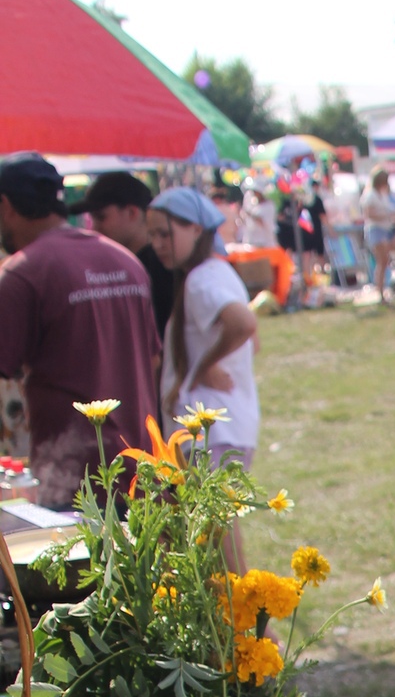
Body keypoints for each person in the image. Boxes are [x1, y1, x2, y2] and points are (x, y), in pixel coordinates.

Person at [0, 154, 160, 506]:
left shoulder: (22, 273)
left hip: (75, 481)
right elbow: (152, 358)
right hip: (145, 472)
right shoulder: (124, 260)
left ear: (6, 205)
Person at [151, 187, 260, 477]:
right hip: (226, 426)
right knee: (217, 520)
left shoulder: (201, 280)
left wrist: (203, 366)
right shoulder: (219, 272)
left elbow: (244, 324)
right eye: (153, 236)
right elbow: (254, 339)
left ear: (197, 229)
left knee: (214, 521)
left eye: (165, 234)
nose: (157, 244)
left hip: (210, 429)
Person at [82, 170, 175, 337]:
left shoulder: (157, 265)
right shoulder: (136, 263)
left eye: (101, 217)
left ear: (132, 212)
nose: (94, 228)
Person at [361, 167, 395, 296]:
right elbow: (369, 214)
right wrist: (387, 215)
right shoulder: (370, 195)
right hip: (376, 230)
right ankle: (381, 293)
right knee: (383, 262)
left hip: (389, 229)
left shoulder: (384, 194)